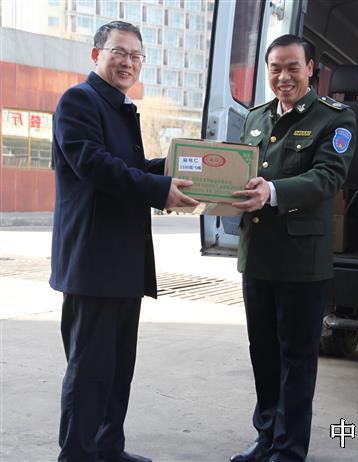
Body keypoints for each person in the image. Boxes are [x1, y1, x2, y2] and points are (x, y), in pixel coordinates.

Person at [50, 21, 198, 462]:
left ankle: (108, 449)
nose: (128, 62)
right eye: (119, 52)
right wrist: (158, 188)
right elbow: (95, 164)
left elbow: (129, 167)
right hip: (94, 263)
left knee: (117, 368)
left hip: (123, 265)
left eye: (136, 56)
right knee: (90, 372)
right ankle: (78, 455)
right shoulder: (79, 101)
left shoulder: (120, 108)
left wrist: (181, 166)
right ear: (97, 55)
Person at [228, 35, 356, 462]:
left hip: (302, 262)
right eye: (275, 68)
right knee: (263, 354)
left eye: (292, 67)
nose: (283, 77)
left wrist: (273, 191)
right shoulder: (256, 117)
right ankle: (266, 436)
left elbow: (328, 176)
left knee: (297, 359)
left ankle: (289, 448)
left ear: (311, 68)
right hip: (258, 255)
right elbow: (241, 172)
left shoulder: (335, 118)